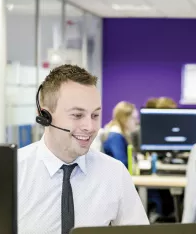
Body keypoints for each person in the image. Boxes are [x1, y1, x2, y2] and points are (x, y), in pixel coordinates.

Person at [18, 65, 149, 234]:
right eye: (77, 115)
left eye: (95, 115)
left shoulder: (114, 173)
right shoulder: (12, 171)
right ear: (45, 117)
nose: (90, 127)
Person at [103, 101, 139, 168]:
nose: (137, 122)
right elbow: (122, 164)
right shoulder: (115, 136)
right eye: (134, 118)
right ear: (124, 119)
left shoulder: (122, 134)